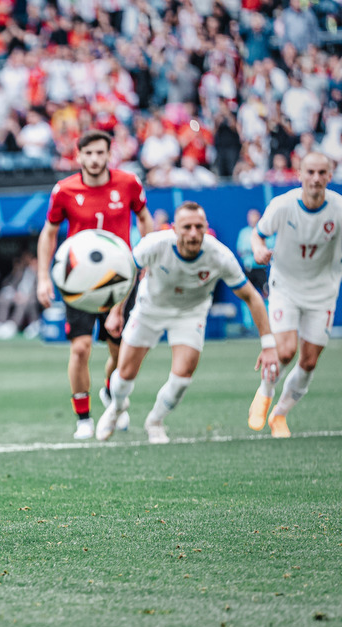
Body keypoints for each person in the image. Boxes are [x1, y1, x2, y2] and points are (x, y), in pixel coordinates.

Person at [96, 201, 280, 444]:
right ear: (174, 228)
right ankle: (117, 408)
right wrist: (116, 312)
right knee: (125, 372)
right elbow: (127, 274)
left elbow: (251, 297)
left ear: (206, 228)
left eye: (198, 227)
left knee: (183, 376)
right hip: (150, 308)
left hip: (190, 314)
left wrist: (268, 344)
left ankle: (155, 421)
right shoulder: (154, 243)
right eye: (186, 227)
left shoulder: (219, 255)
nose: (193, 233)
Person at [36, 130, 156, 440]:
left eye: (100, 153)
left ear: (108, 154)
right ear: (78, 156)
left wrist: (147, 258)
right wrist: (43, 277)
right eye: (88, 153)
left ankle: (110, 391)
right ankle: (83, 419)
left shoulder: (128, 183)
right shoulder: (64, 190)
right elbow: (49, 233)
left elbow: (145, 219)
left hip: (120, 283)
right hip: (78, 283)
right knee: (80, 348)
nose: (94, 159)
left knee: (120, 354)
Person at [247, 152, 342, 438]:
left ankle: (280, 414)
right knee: (284, 351)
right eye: (310, 172)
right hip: (285, 286)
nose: (315, 178)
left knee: (310, 360)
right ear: (299, 174)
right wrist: (258, 250)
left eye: (321, 173)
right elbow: (258, 233)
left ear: (329, 175)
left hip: (322, 290)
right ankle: (264, 393)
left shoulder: (338, 208)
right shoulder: (283, 205)